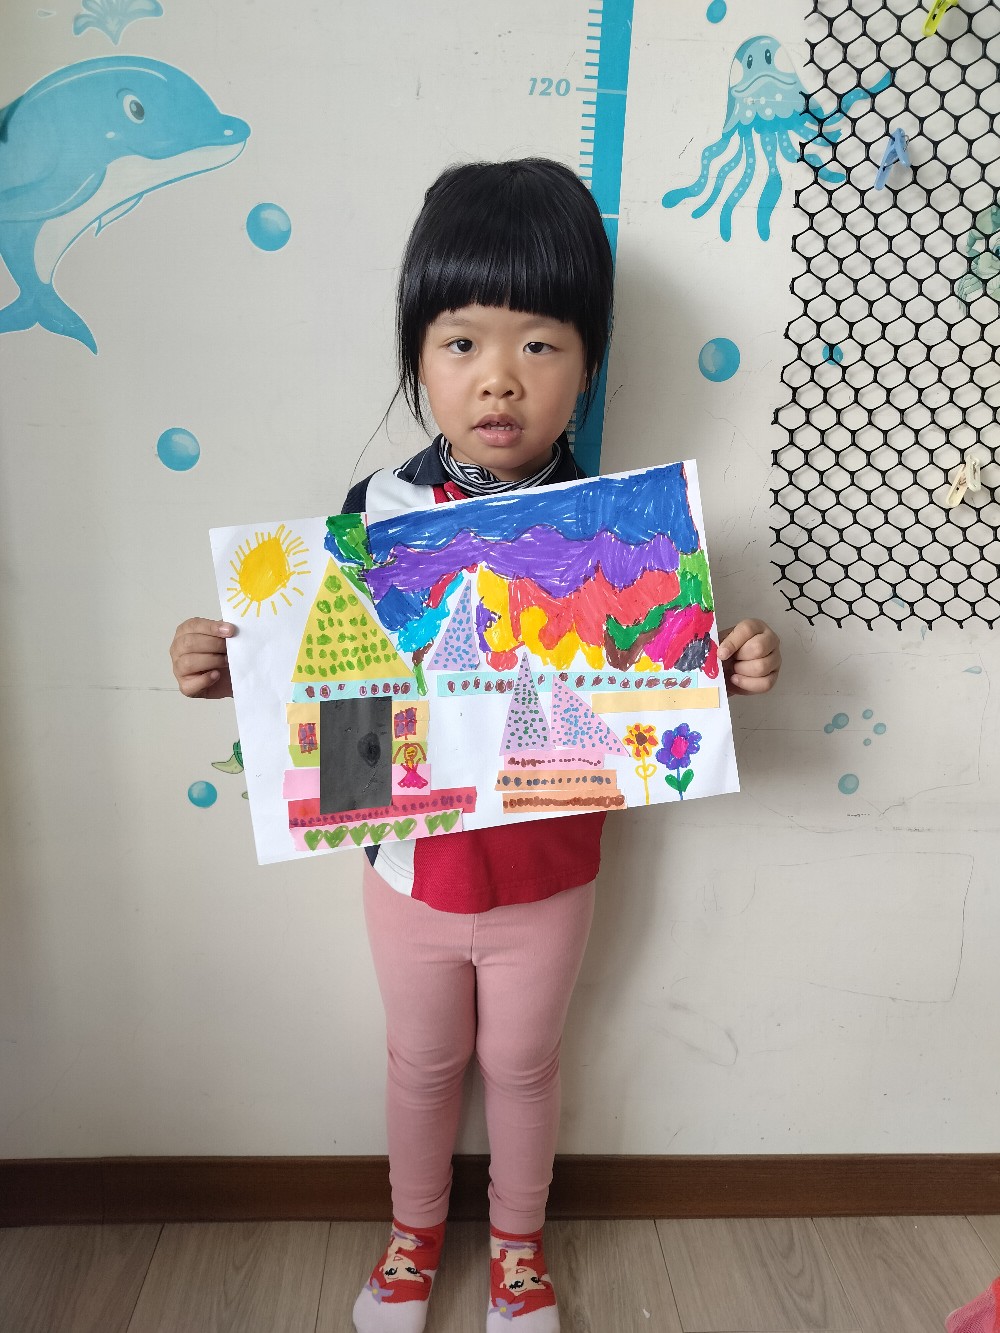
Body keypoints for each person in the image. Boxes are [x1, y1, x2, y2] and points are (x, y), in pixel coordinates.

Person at [169, 158, 782, 1333]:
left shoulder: (623, 535)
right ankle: (411, 1238)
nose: (499, 377)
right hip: (410, 874)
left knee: (525, 1067)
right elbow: (340, 699)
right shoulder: (374, 516)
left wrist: (725, 663)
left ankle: (516, 1249)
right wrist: (237, 674)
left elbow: (646, 688)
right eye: (461, 342)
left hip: (550, 872)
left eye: (539, 344)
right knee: (419, 1063)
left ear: (588, 365)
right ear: (419, 358)